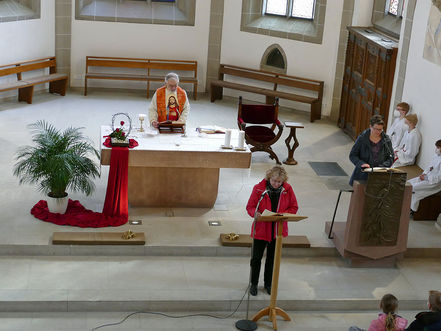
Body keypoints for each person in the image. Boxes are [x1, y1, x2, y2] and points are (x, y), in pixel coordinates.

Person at [246, 166, 298, 296]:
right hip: (261, 230)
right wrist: (255, 213)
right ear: (269, 178)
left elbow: (294, 207)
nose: (276, 184)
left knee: (271, 259)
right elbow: (250, 207)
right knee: (256, 259)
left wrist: (283, 215)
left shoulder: (287, 189)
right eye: (274, 181)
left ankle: (268, 284)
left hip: (277, 231)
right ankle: (253, 284)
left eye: (279, 182)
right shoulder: (259, 189)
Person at [349, 115, 394, 186]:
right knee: (360, 196)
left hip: (379, 176)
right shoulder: (362, 139)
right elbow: (353, 155)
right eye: (375, 129)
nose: (378, 132)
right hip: (362, 175)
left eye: (380, 129)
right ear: (370, 126)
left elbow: (391, 157)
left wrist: (382, 167)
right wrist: (361, 164)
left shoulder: (386, 140)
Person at [407, 140, 441, 212]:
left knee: (413, 188)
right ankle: (407, 205)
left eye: (438, 147)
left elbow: (439, 178)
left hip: (434, 182)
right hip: (428, 176)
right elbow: (430, 166)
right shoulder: (436, 155)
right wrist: (424, 173)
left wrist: (426, 177)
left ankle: (411, 209)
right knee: (408, 183)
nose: (436, 149)